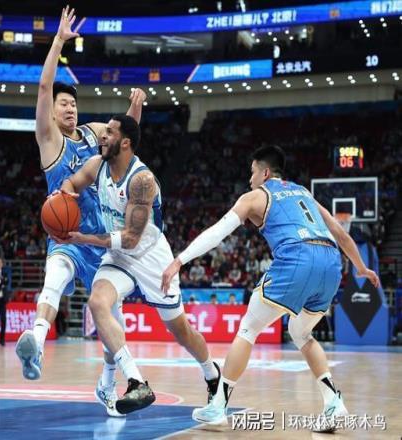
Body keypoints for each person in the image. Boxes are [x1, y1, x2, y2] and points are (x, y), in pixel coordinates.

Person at [162, 145, 380, 431]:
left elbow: (218, 231)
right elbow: (339, 232)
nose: (249, 178)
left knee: (248, 329)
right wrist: (361, 267)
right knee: (301, 333)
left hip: (298, 258)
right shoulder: (304, 192)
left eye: (252, 172)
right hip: (331, 263)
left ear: (265, 173)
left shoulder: (255, 196)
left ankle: (218, 406)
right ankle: (333, 401)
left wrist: (180, 260)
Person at [15, 5, 147, 403]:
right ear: (52, 113)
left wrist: (135, 107)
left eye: (72, 103)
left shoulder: (93, 133)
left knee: (111, 324)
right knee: (53, 278)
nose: (69, 108)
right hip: (68, 235)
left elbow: (124, 136)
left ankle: (107, 382)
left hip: (101, 241)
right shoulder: (50, 140)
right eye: (63, 104)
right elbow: (43, 88)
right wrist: (58, 41)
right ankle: (37, 344)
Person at [59, 115, 220, 416]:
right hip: (118, 256)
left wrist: (83, 238)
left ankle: (212, 374)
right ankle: (134, 380)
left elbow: (132, 239)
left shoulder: (141, 180)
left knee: (181, 331)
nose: (102, 136)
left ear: (125, 143)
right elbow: (72, 182)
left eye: (109, 132)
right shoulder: (96, 165)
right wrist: (63, 197)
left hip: (150, 257)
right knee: (98, 303)